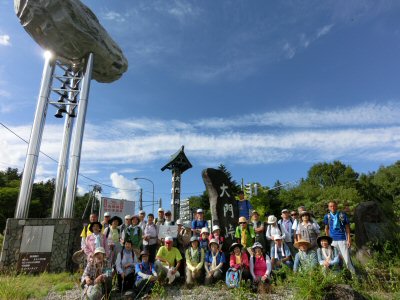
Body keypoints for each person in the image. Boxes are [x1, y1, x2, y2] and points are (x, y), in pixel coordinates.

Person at [324, 200, 355, 273]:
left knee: (347, 259)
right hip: (332, 240)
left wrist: (349, 239)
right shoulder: (327, 216)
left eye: (334, 206)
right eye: (331, 206)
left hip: (342, 239)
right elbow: (326, 228)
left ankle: (354, 276)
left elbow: (347, 228)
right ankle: (338, 274)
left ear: (336, 206)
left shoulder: (342, 215)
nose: (333, 207)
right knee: (334, 259)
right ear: (328, 208)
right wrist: (327, 239)